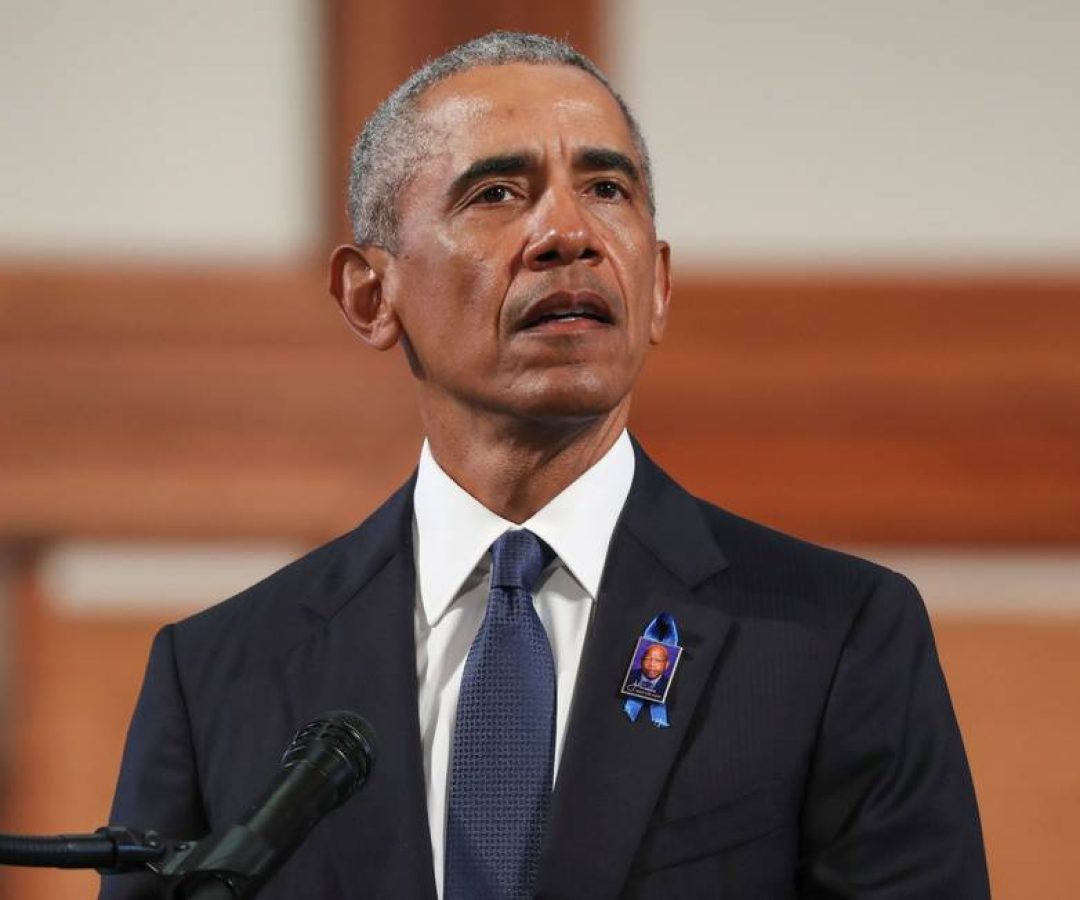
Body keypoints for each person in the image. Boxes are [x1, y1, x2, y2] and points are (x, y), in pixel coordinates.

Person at [102, 31, 990, 899]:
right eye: (495, 193)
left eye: (607, 187)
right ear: (372, 296)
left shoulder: (834, 639)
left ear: (659, 286)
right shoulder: (221, 673)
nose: (568, 232)